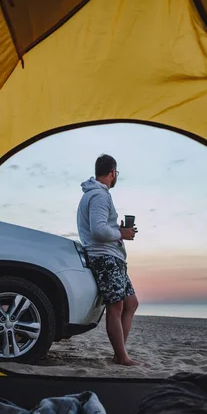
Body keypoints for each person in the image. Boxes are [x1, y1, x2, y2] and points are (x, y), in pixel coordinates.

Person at [77, 154, 139, 366]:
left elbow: (104, 227)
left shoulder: (95, 195)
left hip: (112, 257)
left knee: (131, 303)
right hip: (104, 257)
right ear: (112, 172)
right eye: (116, 173)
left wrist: (119, 230)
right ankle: (121, 357)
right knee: (116, 306)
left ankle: (119, 353)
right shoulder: (100, 196)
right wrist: (121, 234)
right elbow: (98, 230)